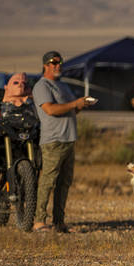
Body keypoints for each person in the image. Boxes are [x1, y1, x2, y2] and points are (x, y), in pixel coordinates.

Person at [32, 51, 93, 233]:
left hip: (69, 139)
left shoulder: (63, 86)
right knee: (48, 181)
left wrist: (80, 106)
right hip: (53, 140)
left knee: (64, 182)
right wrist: (74, 104)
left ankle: (59, 222)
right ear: (45, 65)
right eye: (53, 63)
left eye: (60, 63)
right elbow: (50, 110)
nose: (58, 66)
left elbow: (70, 110)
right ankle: (39, 220)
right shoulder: (42, 86)